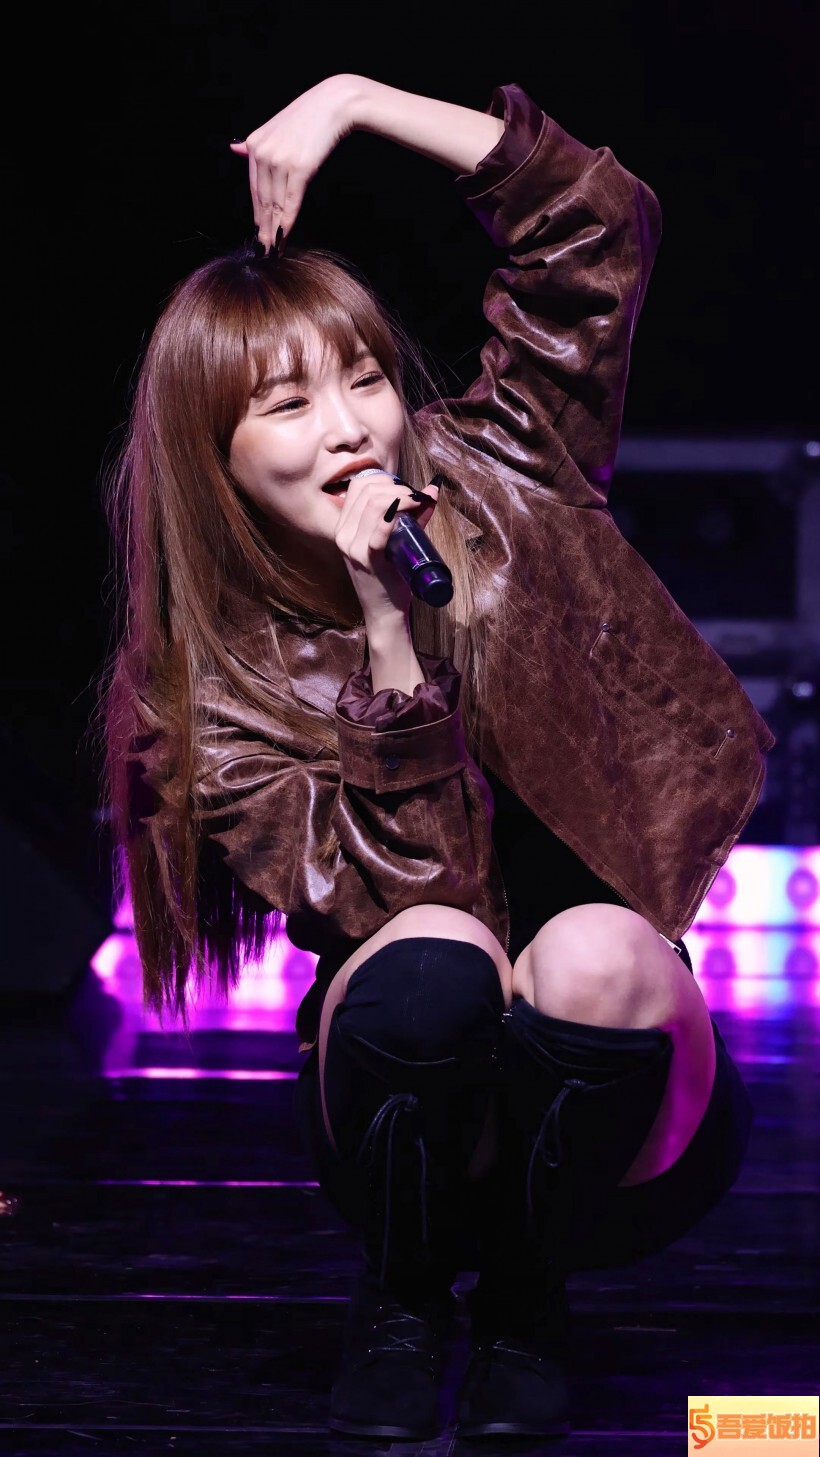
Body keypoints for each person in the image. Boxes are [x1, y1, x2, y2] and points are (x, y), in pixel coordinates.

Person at [99, 75, 775, 1441]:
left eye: (363, 378)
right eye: (289, 404)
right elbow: (420, 904)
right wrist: (387, 639)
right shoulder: (204, 691)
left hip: (621, 1111)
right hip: (411, 1114)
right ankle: (404, 1298)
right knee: (437, 960)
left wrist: (353, 100)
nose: (352, 426)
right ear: (215, 456)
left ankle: (526, 1303)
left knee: (593, 952)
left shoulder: (507, 467)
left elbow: (595, 226)